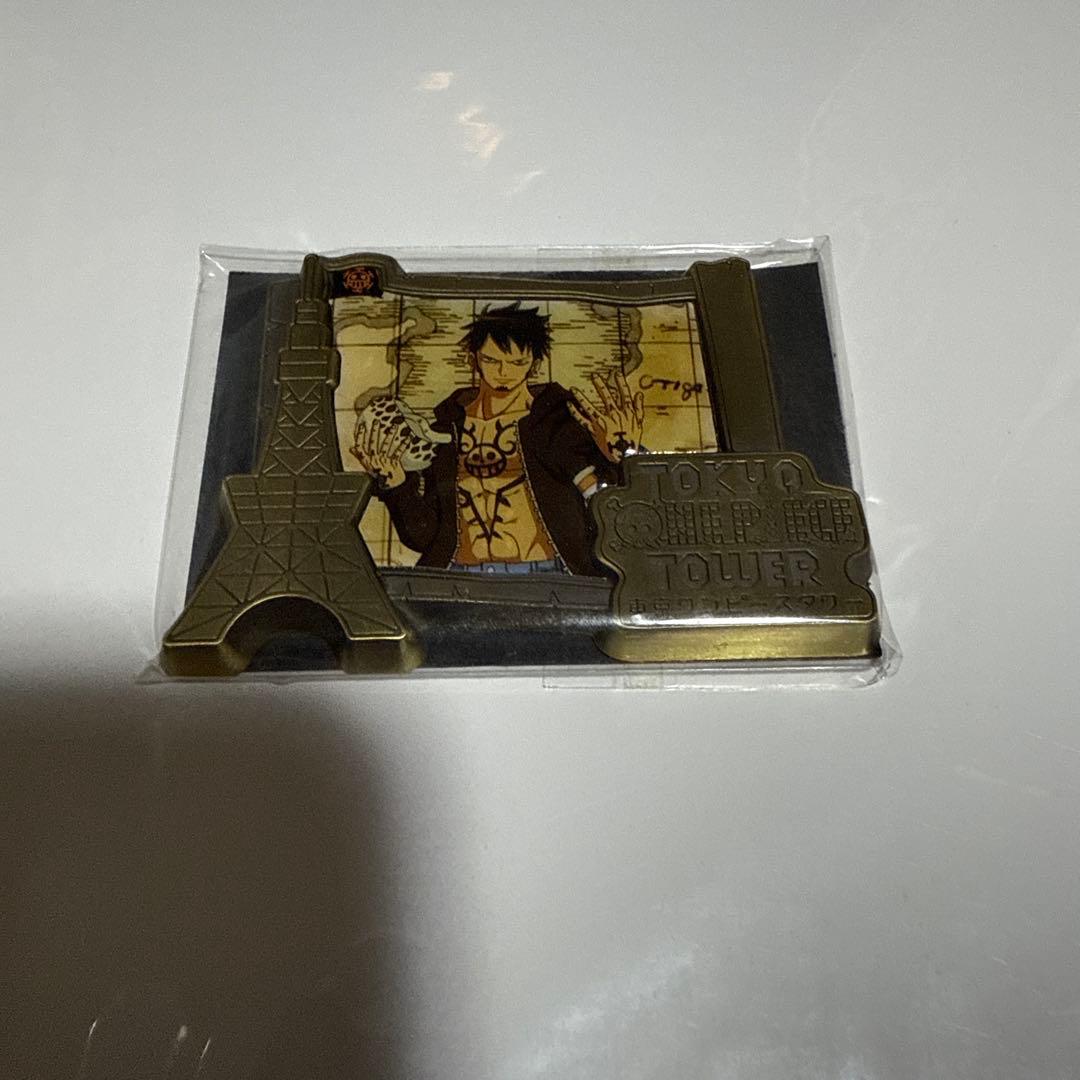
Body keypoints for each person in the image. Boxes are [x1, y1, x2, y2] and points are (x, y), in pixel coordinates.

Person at [351, 302, 644, 575]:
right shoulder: (444, 433)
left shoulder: (559, 423)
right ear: (473, 360)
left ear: (534, 364)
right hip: (459, 575)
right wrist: (398, 487)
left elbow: (621, 516)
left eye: (517, 362)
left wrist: (626, 456)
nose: (504, 373)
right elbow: (425, 537)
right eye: (491, 360)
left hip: (545, 574)